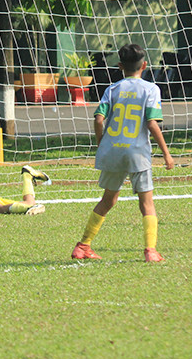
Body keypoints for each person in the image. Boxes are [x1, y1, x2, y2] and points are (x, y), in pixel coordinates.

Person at [71, 43, 175, 263]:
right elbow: (152, 123)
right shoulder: (151, 89)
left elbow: (98, 118)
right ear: (144, 65)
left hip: (113, 151)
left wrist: (102, 143)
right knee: (147, 202)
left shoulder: (113, 89)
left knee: (108, 199)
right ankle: (151, 250)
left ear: (119, 66)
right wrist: (166, 153)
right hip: (137, 152)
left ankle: (83, 246)